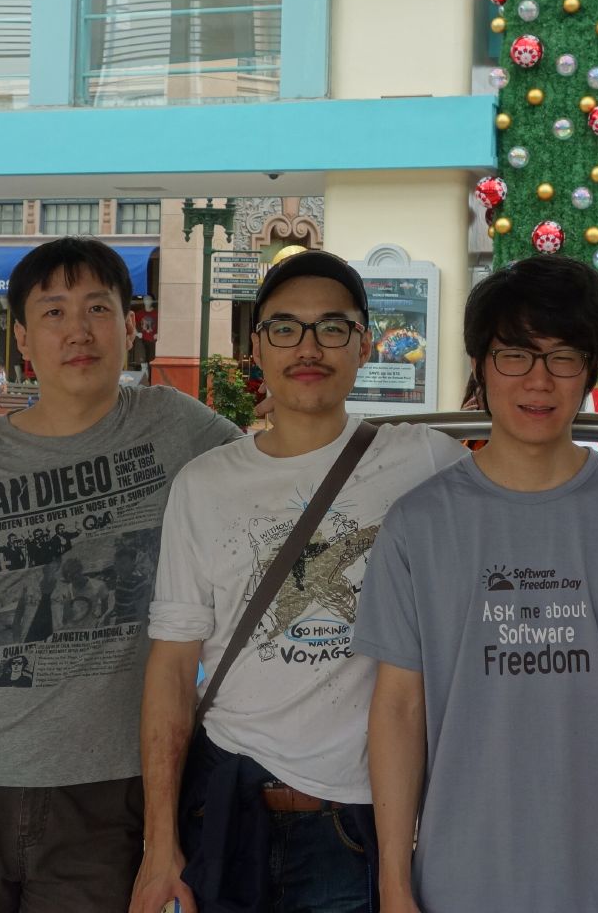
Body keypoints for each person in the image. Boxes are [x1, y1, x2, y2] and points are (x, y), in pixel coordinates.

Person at [0, 237, 241, 913]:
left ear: (131, 324)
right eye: (54, 313)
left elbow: (275, 479)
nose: (79, 331)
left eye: (98, 307)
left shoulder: (178, 427)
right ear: (24, 338)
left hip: (110, 794)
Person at [356, 255, 598, 913]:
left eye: (563, 356)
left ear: (590, 369)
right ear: (479, 364)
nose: (538, 380)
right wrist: (393, 883)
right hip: (455, 881)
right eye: (514, 355)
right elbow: (397, 709)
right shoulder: (418, 526)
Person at [132, 250, 466, 913]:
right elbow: (172, 669)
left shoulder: (425, 462)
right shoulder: (205, 485)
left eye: (332, 328)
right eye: (285, 328)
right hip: (226, 811)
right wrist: (158, 845)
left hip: (356, 827)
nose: (308, 347)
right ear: (256, 347)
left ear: (365, 344)